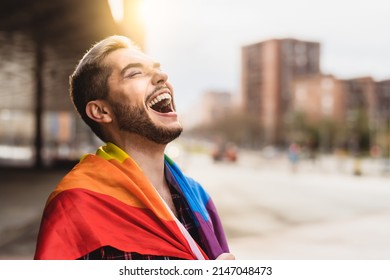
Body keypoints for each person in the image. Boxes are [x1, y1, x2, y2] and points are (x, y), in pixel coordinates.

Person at [34, 35, 233, 260]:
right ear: (101, 111)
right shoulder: (76, 205)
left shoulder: (199, 197)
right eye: (135, 73)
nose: (162, 75)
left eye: (157, 69)